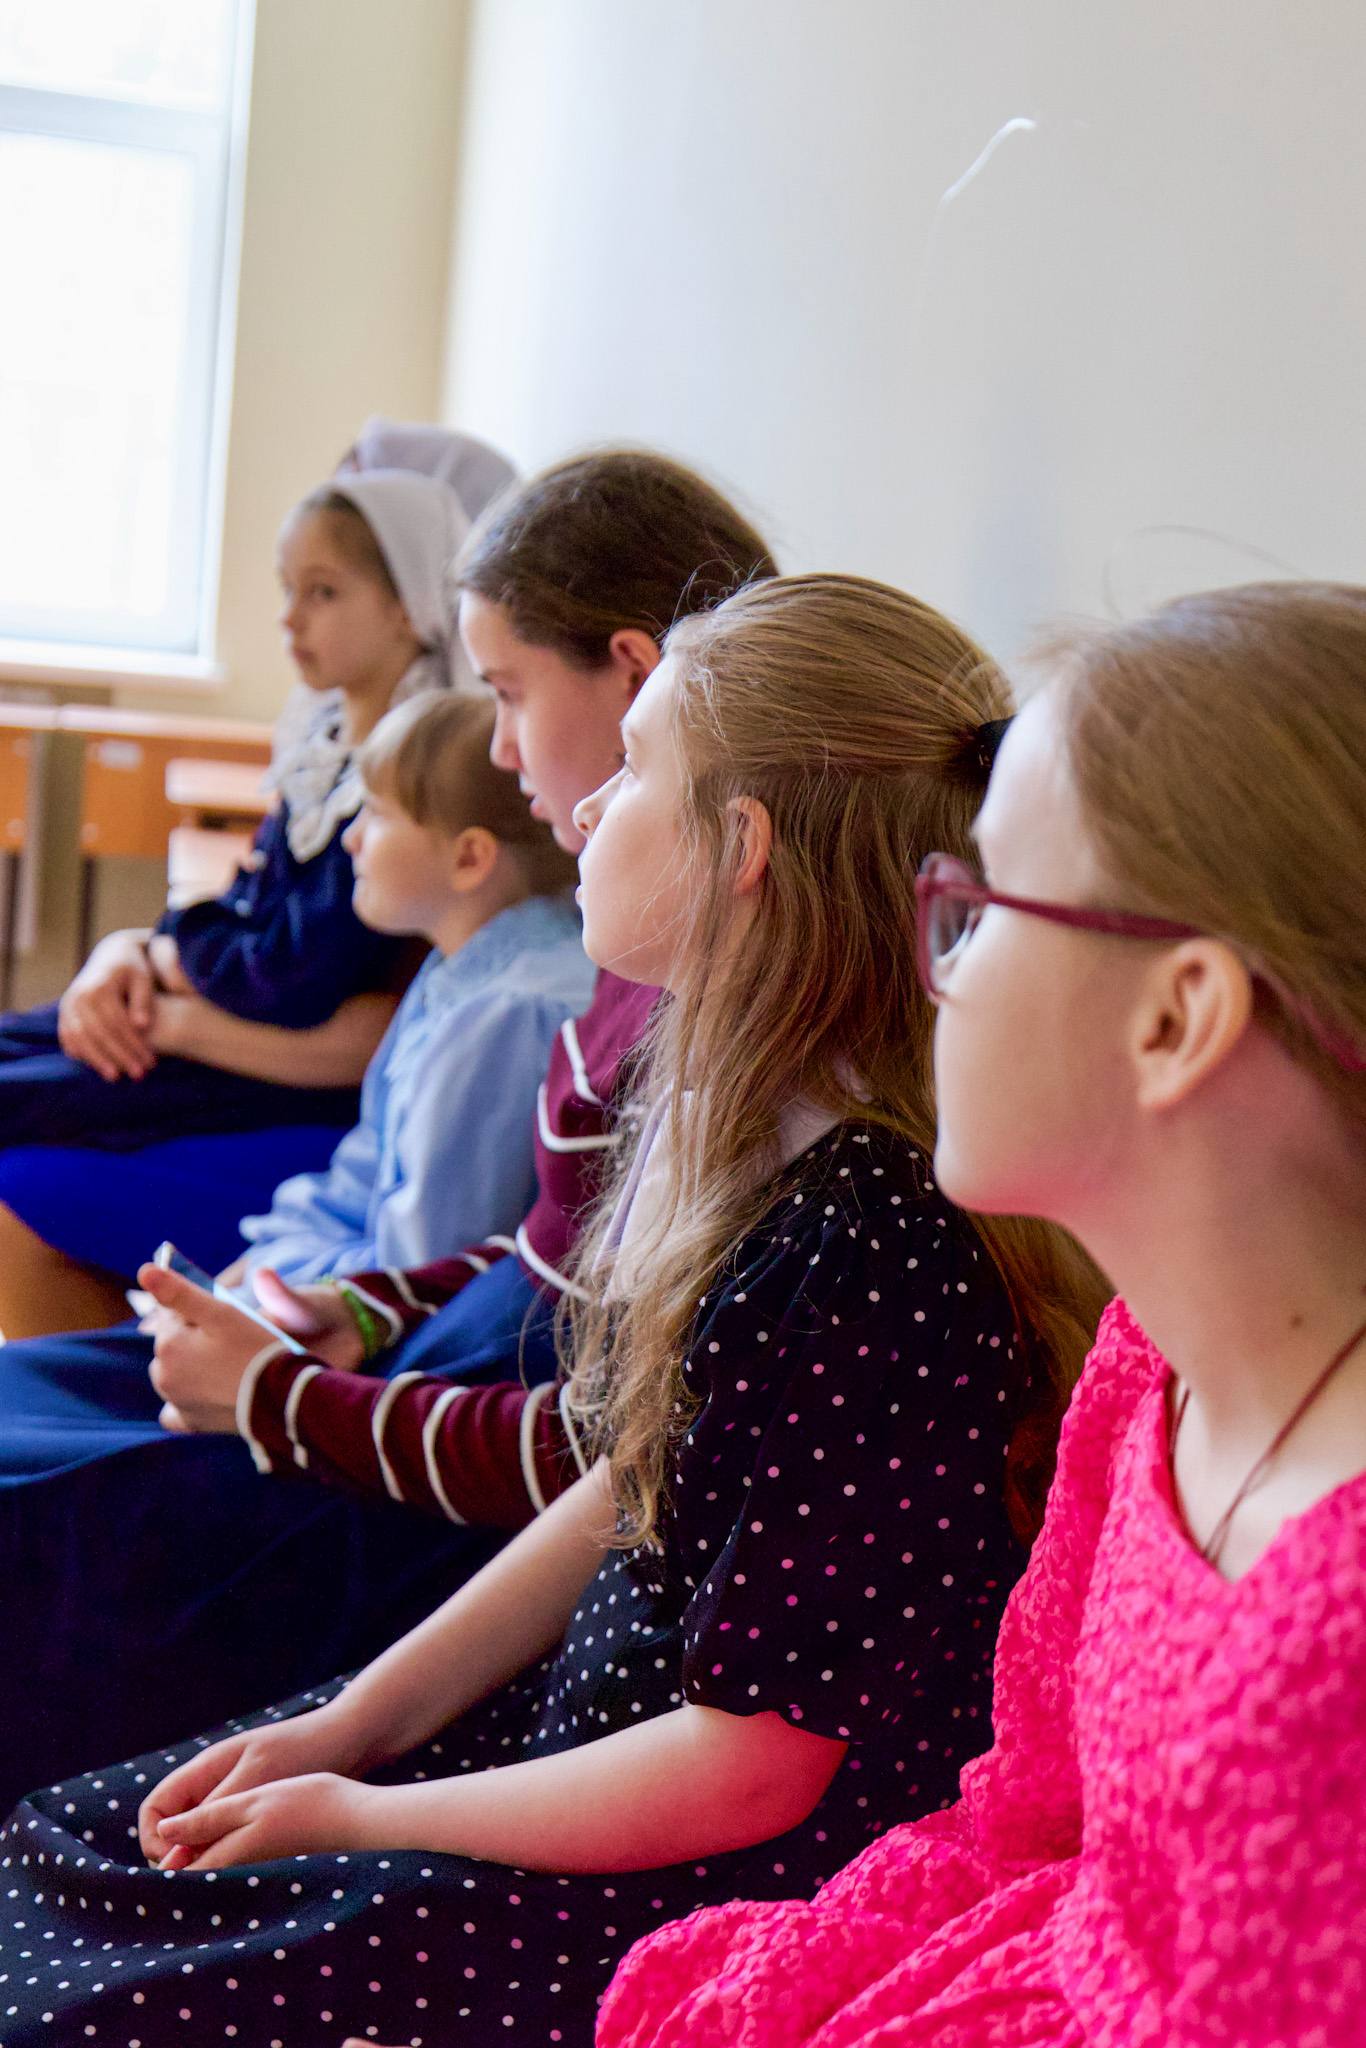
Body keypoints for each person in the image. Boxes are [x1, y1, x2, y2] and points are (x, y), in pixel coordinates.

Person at [0, 571, 1104, 2048]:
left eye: (634, 769)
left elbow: (750, 1769)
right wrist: (353, 1724)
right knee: (68, 1841)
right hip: (583, 1750)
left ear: (739, 848)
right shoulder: (752, 1134)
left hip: (684, 1871)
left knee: (80, 1985)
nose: (582, 808)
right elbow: (622, 1484)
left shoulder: (872, 1244)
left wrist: (371, 1810)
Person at [599, 581, 1366, 2048]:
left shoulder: (1335, 1623)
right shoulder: (1146, 1368)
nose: (930, 960)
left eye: (981, 905)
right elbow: (1028, 1821)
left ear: (1175, 1017)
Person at [0, 449, 777, 1806]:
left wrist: (283, 1396)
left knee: (53, 1501)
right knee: (36, 1395)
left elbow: (602, 1434)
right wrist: (355, 1315)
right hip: (404, 1377)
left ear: (632, 675)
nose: (497, 746)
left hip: (428, 1482)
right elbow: (534, 1257)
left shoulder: (714, 1027)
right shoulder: (624, 950)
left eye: (508, 692)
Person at [0, 468, 475, 1337]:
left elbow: (315, 990)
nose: (290, 618)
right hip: (223, 1045)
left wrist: (172, 1003)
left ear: (409, 607)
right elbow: (247, 908)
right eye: (288, 590)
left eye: (323, 592)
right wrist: (132, 950)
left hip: (285, 1097)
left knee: (16, 1157)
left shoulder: (421, 795)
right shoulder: (324, 749)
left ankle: (97, 1394)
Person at [226, 687, 594, 1288]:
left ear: (469, 858)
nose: (351, 839)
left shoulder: (507, 1015)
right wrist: (267, 1265)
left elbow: (422, 1269)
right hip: (350, 1287)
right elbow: (362, 1176)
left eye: (375, 813)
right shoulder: (455, 971)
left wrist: (273, 1281)